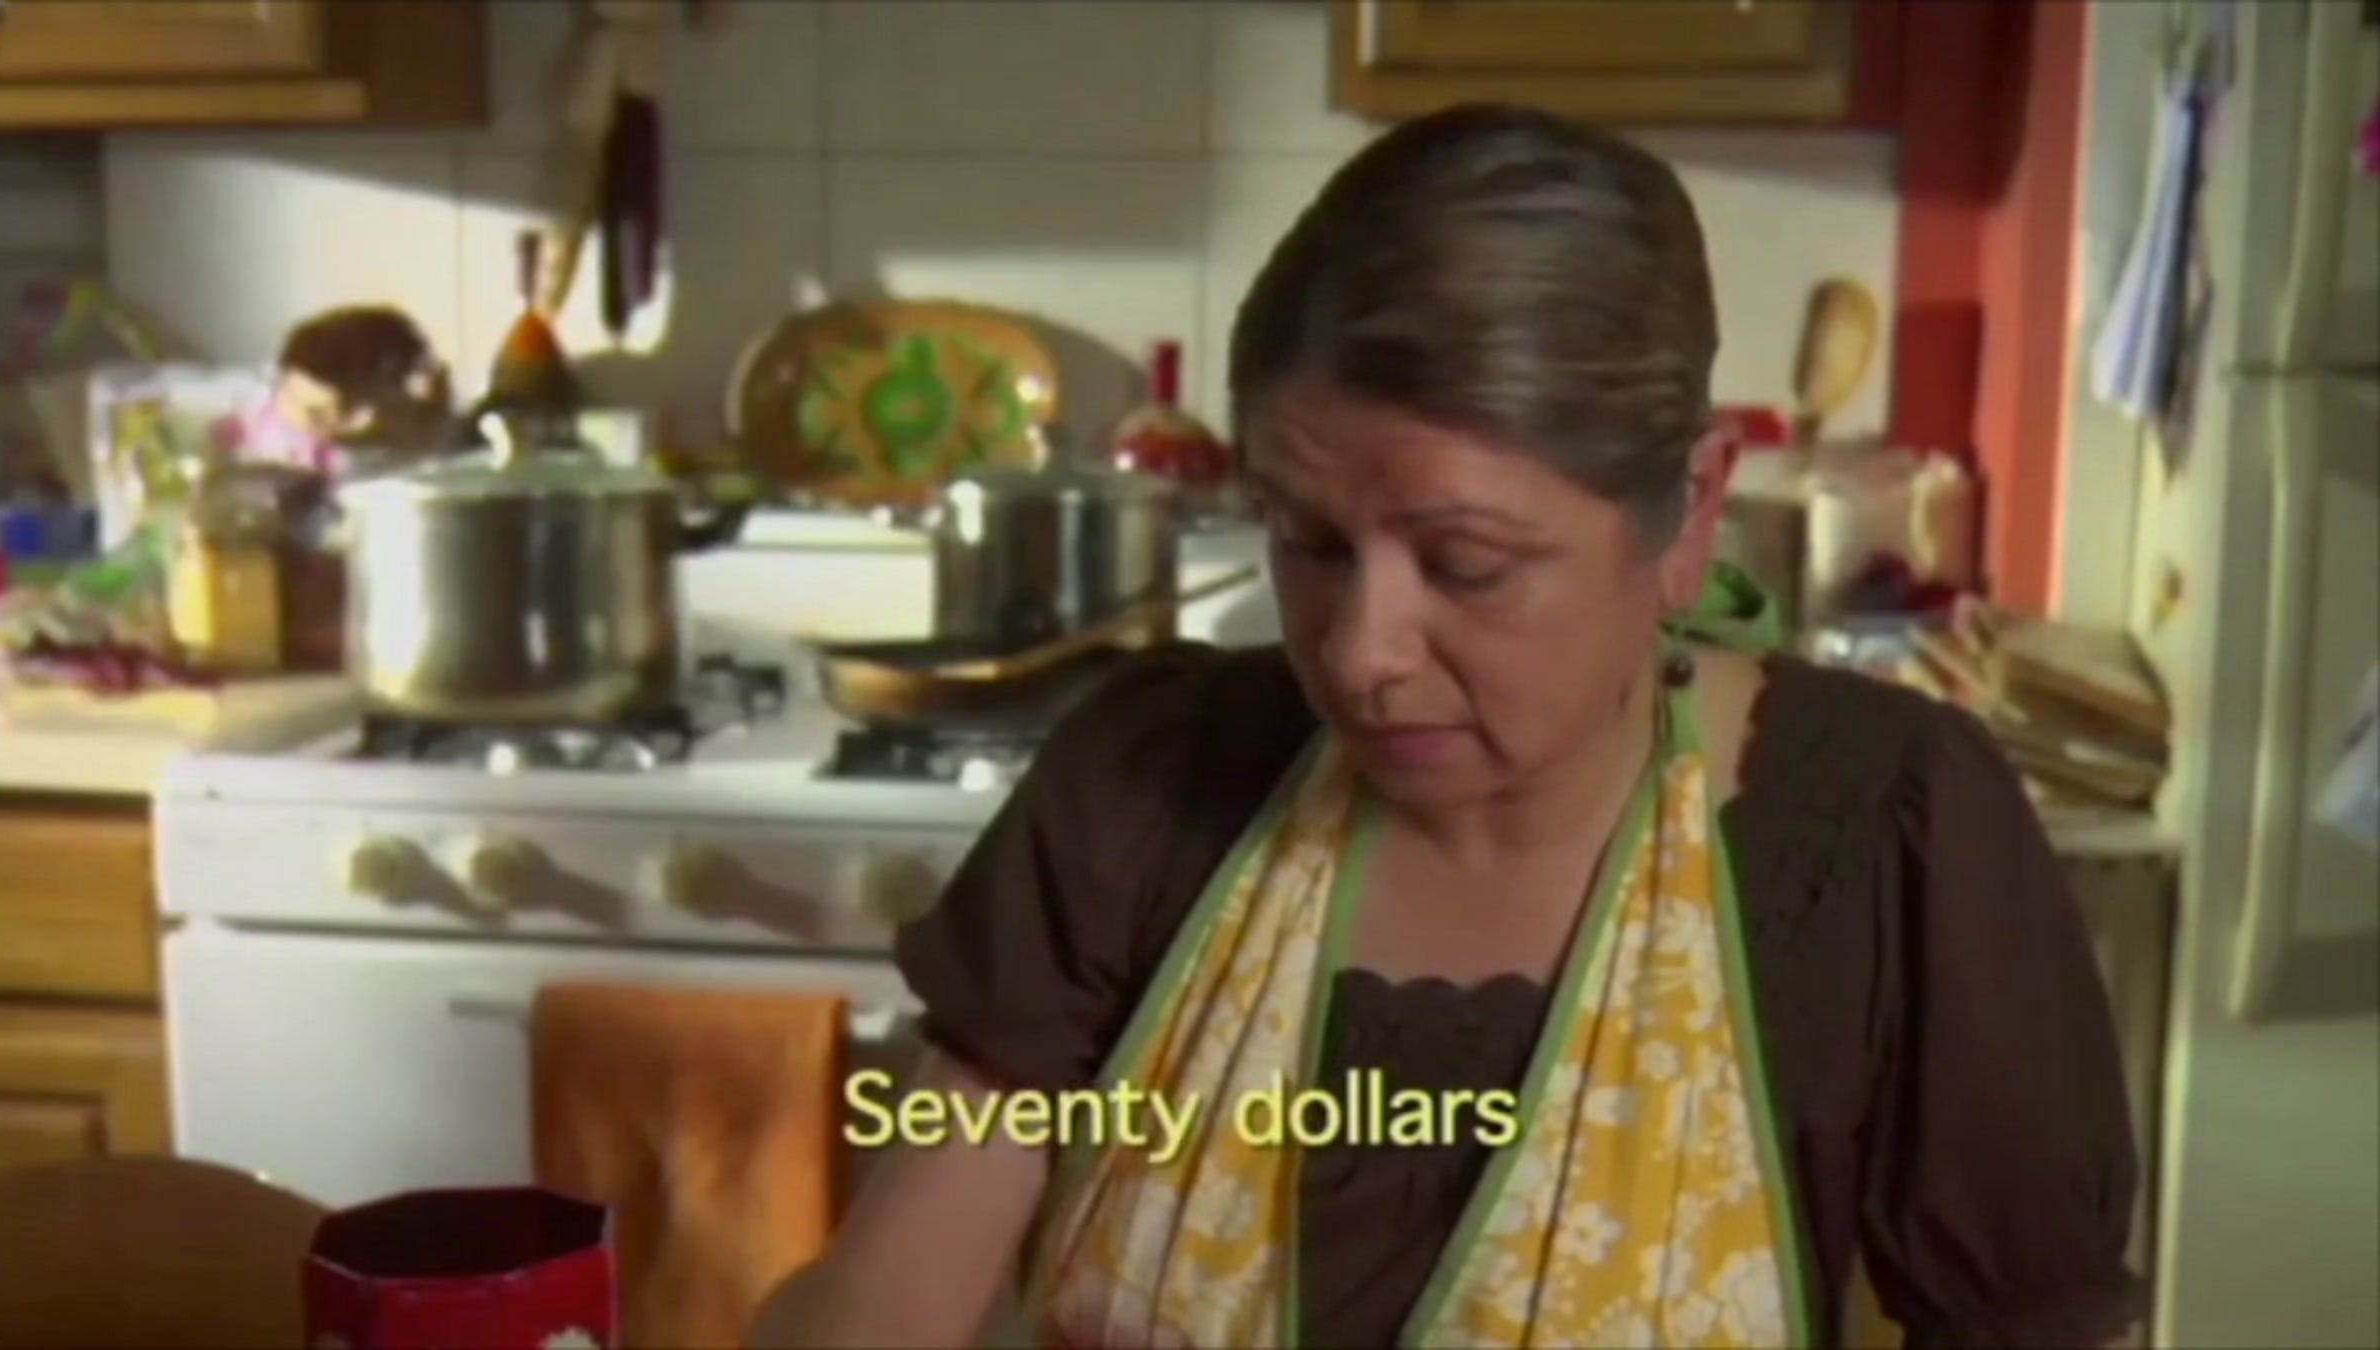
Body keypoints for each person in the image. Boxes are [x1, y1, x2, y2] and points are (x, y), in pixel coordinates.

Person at [753, 104, 2143, 1349]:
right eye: (1307, 540)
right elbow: (886, 1297)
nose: (1361, 654)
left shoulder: (1881, 838)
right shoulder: (1147, 783)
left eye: (1468, 563)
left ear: (1689, 512)